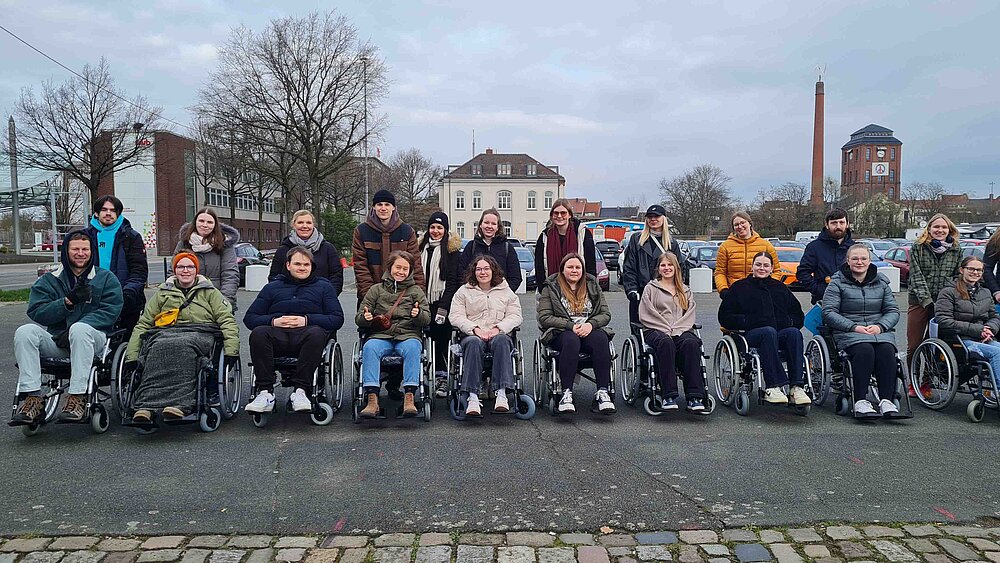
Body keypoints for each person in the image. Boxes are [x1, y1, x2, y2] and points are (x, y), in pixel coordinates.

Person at [10, 231, 123, 425]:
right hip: (59, 341)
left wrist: (76, 328)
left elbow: (111, 311)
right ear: (66, 252)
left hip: (93, 341)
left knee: (79, 330)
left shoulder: (105, 278)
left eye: (85, 249)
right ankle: (32, 397)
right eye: (75, 249)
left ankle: (77, 396)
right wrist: (66, 302)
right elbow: (37, 311)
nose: (81, 253)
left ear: (92, 252)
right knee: (25, 332)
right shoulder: (50, 280)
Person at [123, 252, 240, 423]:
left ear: (196, 270)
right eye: (181, 267)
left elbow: (227, 320)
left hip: (200, 333)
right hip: (164, 333)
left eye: (190, 267)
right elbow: (144, 323)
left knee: (183, 345)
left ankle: (181, 404)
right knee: (155, 348)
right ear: (174, 270)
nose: (185, 270)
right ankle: (145, 405)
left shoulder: (210, 292)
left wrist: (231, 350)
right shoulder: (163, 293)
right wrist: (132, 356)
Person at [244, 246, 345, 414]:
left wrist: (307, 320)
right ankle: (265, 392)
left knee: (317, 333)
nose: (302, 268)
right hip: (277, 335)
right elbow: (250, 318)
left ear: (312, 266)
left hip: (307, 335)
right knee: (258, 333)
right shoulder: (272, 287)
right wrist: (274, 321)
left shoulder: (324, 287)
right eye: (298, 264)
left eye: (306, 264)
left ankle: (301, 391)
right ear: (288, 265)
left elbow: (336, 318)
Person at [718, 251, 809, 406]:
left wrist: (788, 321)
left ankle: (796, 387)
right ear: (752, 266)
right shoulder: (739, 287)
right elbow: (725, 316)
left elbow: (798, 315)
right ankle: (773, 386)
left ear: (772, 268)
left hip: (777, 334)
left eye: (766, 265)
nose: (762, 268)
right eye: (758, 264)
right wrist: (748, 321)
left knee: (793, 333)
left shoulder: (780, 288)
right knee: (768, 332)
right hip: (749, 336)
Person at [822, 244, 902, 417]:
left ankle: (886, 400)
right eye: (855, 258)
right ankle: (860, 400)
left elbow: (893, 310)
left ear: (870, 260)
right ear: (848, 261)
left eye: (864, 258)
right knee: (864, 350)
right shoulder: (837, 283)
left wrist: (880, 326)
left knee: (887, 351)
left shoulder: (882, 283)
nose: (860, 262)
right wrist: (854, 327)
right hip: (849, 331)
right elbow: (829, 312)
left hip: (878, 331)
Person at [537, 253, 616, 414]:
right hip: (562, 332)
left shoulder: (592, 284)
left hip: (588, 329)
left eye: (578, 267)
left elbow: (605, 314)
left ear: (583, 270)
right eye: (570, 267)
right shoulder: (550, 287)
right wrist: (570, 326)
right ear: (562, 269)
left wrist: (591, 324)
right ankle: (566, 393)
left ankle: (603, 392)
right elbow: (545, 318)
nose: (574, 270)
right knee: (571, 340)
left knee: (601, 339)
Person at [356, 251, 430, 417]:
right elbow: (359, 317)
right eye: (398, 267)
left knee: (413, 348)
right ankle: (372, 400)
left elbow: (426, 319)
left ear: (410, 271)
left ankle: (409, 397)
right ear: (390, 268)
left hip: (407, 335)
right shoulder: (376, 290)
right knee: (369, 347)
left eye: (405, 269)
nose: (401, 272)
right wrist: (366, 318)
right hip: (381, 336)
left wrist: (418, 314)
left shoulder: (416, 291)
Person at [449, 255, 523, 416]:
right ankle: (473, 397)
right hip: (473, 335)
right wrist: (475, 329)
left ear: (493, 270)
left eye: (486, 269)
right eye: (479, 269)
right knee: (473, 343)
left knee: (502, 340)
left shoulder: (506, 290)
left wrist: (499, 328)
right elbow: (455, 316)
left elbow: (515, 315)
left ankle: (501, 394)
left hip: (498, 333)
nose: (483, 272)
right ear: (473, 272)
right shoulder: (463, 291)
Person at [638, 252, 706, 412]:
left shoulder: (685, 290)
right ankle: (668, 395)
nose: (666, 268)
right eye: (663, 265)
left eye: (670, 265)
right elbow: (647, 312)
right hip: (656, 329)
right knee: (665, 342)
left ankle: (695, 396)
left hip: (681, 329)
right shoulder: (651, 288)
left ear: (676, 268)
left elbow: (689, 314)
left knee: (691, 343)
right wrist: (666, 328)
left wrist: (677, 328)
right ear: (658, 269)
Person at [906, 213, 962, 380]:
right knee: (914, 345)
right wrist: (927, 301)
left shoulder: (956, 249)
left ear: (949, 230)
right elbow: (916, 276)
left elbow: (957, 276)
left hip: (943, 303)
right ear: (929, 229)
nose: (940, 230)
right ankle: (913, 380)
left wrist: (947, 299)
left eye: (944, 227)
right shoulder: (918, 248)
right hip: (919, 301)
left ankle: (927, 380)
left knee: (935, 344)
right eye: (936, 226)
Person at [935, 256, 1000, 393]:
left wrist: (989, 329)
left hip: (982, 337)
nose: (975, 272)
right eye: (971, 269)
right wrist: (979, 330)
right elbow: (944, 320)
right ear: (961, 270)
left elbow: (994, 316)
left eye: (979, 270)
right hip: (960, 340)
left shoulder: (985, 292)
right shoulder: (948, 292)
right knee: (996, 353)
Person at [85, 195, 148, 330]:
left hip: (126, 304)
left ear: (118, 213)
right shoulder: (85, 237)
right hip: (91, 302)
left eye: (113, 210)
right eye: (104, 210)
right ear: (96, 213)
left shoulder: (131, 237)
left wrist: (127, 294)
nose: (108, 213)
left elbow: (139, 271)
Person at [352, 189, 423, 308]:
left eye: (387, 204)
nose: (383, 208)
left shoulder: (407, 231)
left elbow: (415, 266)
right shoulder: (361, 231)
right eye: (379, 204)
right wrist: (371, 297)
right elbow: (360, 267)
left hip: (402, 299)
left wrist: (419, 296)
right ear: (373, 207)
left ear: (393, 207)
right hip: (371, 298)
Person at [419, 211, 463, 398]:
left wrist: (443, 307)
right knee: (419, 337)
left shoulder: (452, 252)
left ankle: (441, 376)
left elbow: (453, 282)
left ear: (446, 230)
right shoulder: (420, 248)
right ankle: (419, 375)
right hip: (421, 301)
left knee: (441, 338)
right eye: (432, 227)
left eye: (439, 227)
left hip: (443, 302)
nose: (435, 231)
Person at [622, 205, 683, 324]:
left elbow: (679, 269)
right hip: (641, 293)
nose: (653, 219)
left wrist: (678, 290)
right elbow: (629, 267)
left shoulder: (671, 243)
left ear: (663, 218)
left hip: (665, 295)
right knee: (640, 329)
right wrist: (631, 290)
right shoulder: (637, 240)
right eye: (650, 217)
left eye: (656, 216)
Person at [175, 208, 240, 311]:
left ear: (215, 225)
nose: (205, 225)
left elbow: (230, 275)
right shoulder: (184, 243)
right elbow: (173, 272)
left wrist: (224, 302)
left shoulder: (225, 244)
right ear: (195, 222)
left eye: (209, 222)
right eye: (201, 221)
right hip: (187, 302)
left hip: (217, 301)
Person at [269, 209, 344, 296]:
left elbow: (336, 276)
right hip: (289, 300)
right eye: (300, 222)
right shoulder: (283, 250)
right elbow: (274, 277)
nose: (305, 226)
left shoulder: (328, 249)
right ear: (293, 225)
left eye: (308, 223)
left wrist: (328, 296)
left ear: (313, 225)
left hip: (321, 299)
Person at [533, 198, 597, 289]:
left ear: (569, 215)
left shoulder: (583, 234)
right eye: (556, 213)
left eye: (563, 213)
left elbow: (591, 265)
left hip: (579, 289)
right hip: (552, 289)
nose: (559, 216)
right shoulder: (544, 237)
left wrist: (590, 289)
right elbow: (539, 268)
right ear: (552, 215)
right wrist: (543, 289)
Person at [797, 207, 854, 305]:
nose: (838, 226)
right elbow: (802, 273)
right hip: (823, 302)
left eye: (841, 222)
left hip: (851, 302)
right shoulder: (814, 247)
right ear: (827, 225)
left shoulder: (854, 248)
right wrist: (819, 290)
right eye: (834, 223)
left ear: (847, 224)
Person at [715, 212, 780, 296]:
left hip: (760, 294)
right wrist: (723, 290)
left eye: (742, 223)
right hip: (735, 293)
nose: (740, 226)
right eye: (736, 225)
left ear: (750, 223)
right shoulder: (725, 247)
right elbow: (720, 272)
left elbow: (776, 271)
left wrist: (770, 287)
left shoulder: (766, 245)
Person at [459, 208, 522, 292]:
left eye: (493, 223)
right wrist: (472, 292)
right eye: (486, 222)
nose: (489, 226)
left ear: (498, 227)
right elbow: (461, 273)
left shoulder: (507, 248)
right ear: (480, 225)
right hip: (474, 297)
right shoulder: (471, 246)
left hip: (500, 297)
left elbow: (515, 277)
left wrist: (504, 294)